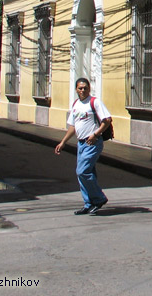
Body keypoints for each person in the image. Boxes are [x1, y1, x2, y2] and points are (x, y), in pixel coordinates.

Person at [54, 78, 112, 215]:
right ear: (76, 89)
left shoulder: (94, 102)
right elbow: (72, 126)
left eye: (85, 88)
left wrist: (96, 134)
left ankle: (99, 198)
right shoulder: (76, 104)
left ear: (89, 88)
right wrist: (63, 142)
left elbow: (107, 120)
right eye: (80, 88)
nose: (83, 90)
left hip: (92, 142)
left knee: (82, 171)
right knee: (85, 173)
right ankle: (88, 203)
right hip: (81, 143)